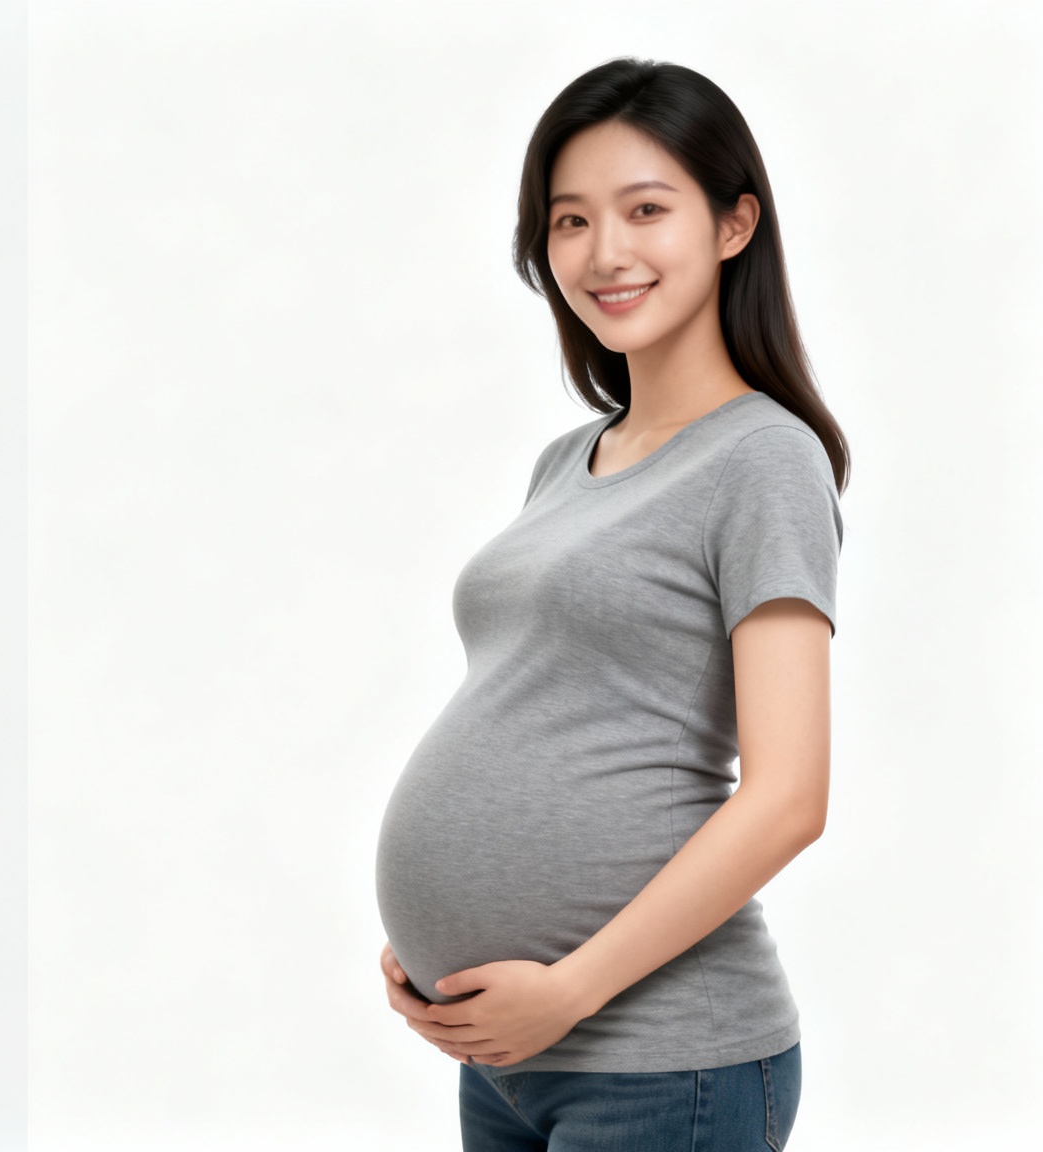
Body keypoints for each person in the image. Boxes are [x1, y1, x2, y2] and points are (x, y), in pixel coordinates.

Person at [374, 58, 849, 1151]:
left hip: (661, 1063)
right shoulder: (564, 459)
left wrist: (570, 988)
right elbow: (545, 705)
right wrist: (432, 946)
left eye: (645, 210)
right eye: (569, 220)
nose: (604, 253)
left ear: (733, 224)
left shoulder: (762, 460)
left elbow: (787, 797)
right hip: (507, 1057)